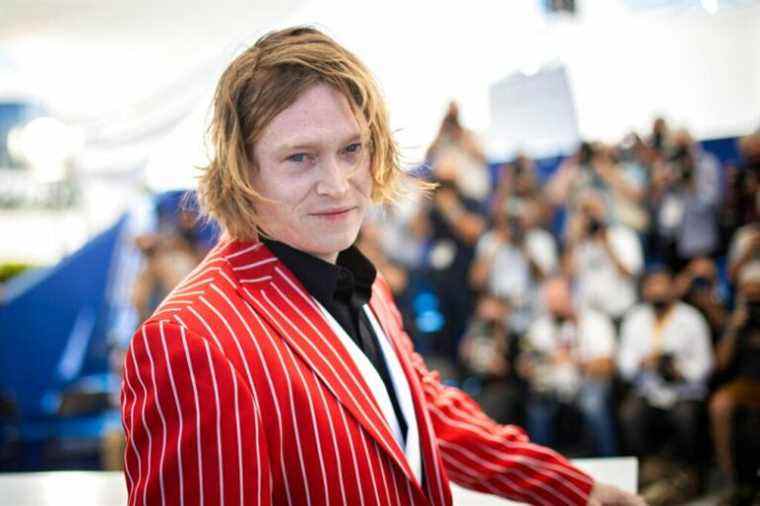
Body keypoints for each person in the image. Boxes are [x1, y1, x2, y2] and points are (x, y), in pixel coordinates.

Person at [121, 26, 643, 506]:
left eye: (352, 149)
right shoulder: (193, 341)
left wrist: (578, 489)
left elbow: (423, 417)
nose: (338, 182)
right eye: (299, 158)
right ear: (241, 171)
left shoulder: (356, 276)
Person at [617, 267, 714, 504]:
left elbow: (705, 365)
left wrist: (678, 370)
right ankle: (650, 471)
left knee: (686, 416)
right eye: (652, 285)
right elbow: (624, 364)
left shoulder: (691, 318)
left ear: (673, 288)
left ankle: (690, 474)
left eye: (662, 284)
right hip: (649, 389)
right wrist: (643, 363)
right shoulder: (635, 318)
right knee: (630, 414)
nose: (656, 290)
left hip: (683, 391)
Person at [518, 277, 618, 457]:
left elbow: (608, 366)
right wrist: (529, 367)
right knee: (537, 406)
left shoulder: (595, 322)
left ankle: (610, 457)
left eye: (559, 300)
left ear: (571, 297)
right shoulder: (540, 327)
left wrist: (573, 360)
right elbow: (524, 366)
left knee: (593, 405)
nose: (554, 306)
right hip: (552, 387)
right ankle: (540, 467)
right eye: (550, 300)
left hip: (588, 384)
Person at [709, 263, 760, 505]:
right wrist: (734, 327)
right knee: (720, 404)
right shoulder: (738, 321)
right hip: (745, 383)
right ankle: (728, 476)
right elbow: (720, 363)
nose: (754, 302)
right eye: (748, 296)